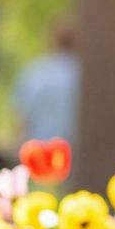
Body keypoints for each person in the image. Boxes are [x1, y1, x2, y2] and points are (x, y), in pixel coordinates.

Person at [12, 20, 79, 148]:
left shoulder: (33, 73)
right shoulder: (82, 73)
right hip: (74, 151)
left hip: (39, 150)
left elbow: (23, 121)